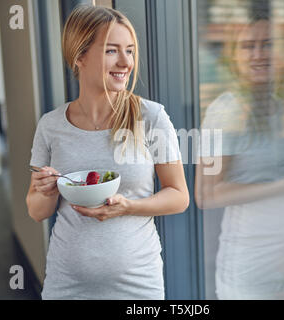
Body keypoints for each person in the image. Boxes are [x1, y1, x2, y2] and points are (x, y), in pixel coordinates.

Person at [26, 5, 189, 300]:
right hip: (66, 284)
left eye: (130, 50)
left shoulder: (151, 116)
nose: (126, 62)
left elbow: (179, 196)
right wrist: (46, 191)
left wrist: (128, 207)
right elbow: (37, 211)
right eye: (112, 51)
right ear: (80, 56)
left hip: (138, 284)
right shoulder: (50, 126)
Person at [195, 13, 284, 299]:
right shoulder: (226, 112)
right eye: (248, 46)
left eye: (267, 44)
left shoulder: (277, 107)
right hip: (250, 273)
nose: (258, 54)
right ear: (235, 57)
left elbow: (275, 166)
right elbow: (207, 193)